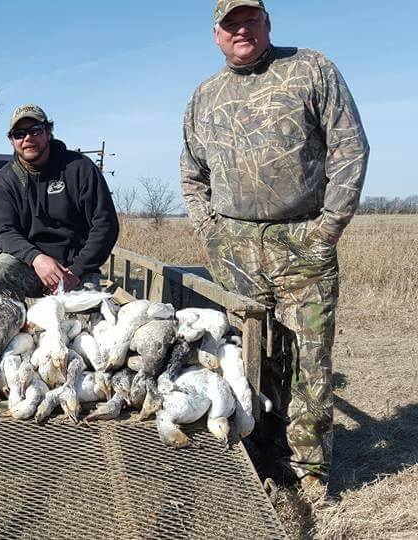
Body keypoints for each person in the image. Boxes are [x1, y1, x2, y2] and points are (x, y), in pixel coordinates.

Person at [180, 0, 369, 501]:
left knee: (311, 355)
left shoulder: (310, 68)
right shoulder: (205, 96)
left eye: (250, 20)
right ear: (216, 34)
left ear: (267, 23)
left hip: (302, 238)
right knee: (251, 352)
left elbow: (350, 150)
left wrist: (328, 228)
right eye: (230, 24)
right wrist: (209, 230)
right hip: (235, 247)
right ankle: (258, 451)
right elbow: (191, 172)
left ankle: (309, 471)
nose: (241, 30)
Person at [0, 104, 119, 299]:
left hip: (74, 271)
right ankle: (13, 325)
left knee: (86, 324)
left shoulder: (80, 168)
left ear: (48, 132)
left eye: (35, 130)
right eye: (19, 134)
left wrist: (77, 271)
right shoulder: (5, 180)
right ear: (12, 140)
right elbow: (4, 231)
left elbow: (105, 225)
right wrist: (36, 259)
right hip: (28, 265)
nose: (27, 138)